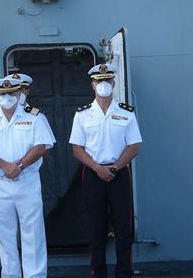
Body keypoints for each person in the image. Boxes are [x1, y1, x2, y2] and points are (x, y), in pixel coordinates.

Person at [0, 77, 55, 278]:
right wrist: (6, 167)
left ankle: (35, 276)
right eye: (3, 93)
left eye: (12, 93)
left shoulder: (35, 117)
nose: (7, 97)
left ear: (19, 94)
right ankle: (10, 275)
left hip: (27, 182)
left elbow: (40, 147)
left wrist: (19, 166)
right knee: (5, 237)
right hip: (0, 184)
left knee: (33, 234)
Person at [70, 63, 143, 278]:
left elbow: (135, 146)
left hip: (119, 173)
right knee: (96, 226)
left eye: (107, 81)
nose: (103, 85)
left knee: (123, 226)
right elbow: (77, 149)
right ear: (92, 84)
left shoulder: (126, 114)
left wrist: (115, 167)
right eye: (98, 81)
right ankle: (97, 272)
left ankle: (124, 273)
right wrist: (97, 168)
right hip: (93, 174)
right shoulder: (82, 115)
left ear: (113, 83)